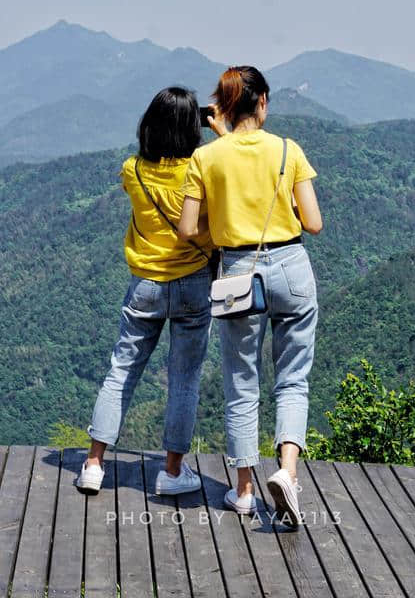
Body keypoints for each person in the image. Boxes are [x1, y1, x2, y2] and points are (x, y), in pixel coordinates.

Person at [178, 65, 322, 526]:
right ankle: (287, 473)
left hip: (240, 275)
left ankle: (243, 492)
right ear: (262, 103)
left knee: (242, 382)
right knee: (292, 379)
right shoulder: (287, 150)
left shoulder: (207, 158)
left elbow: (187, 229)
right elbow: (314, 223)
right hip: (293, 269)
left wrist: (221, 226)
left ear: (222, 106)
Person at [76, 87, 214, 495]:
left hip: (146, 286)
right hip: (194, 285)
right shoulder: (201, 170)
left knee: (122, 371)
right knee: (184, 379)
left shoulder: (133, 170)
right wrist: (217, 128)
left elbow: (136, 184)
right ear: (193, 127)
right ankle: (172, 473)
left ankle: (94, 464)